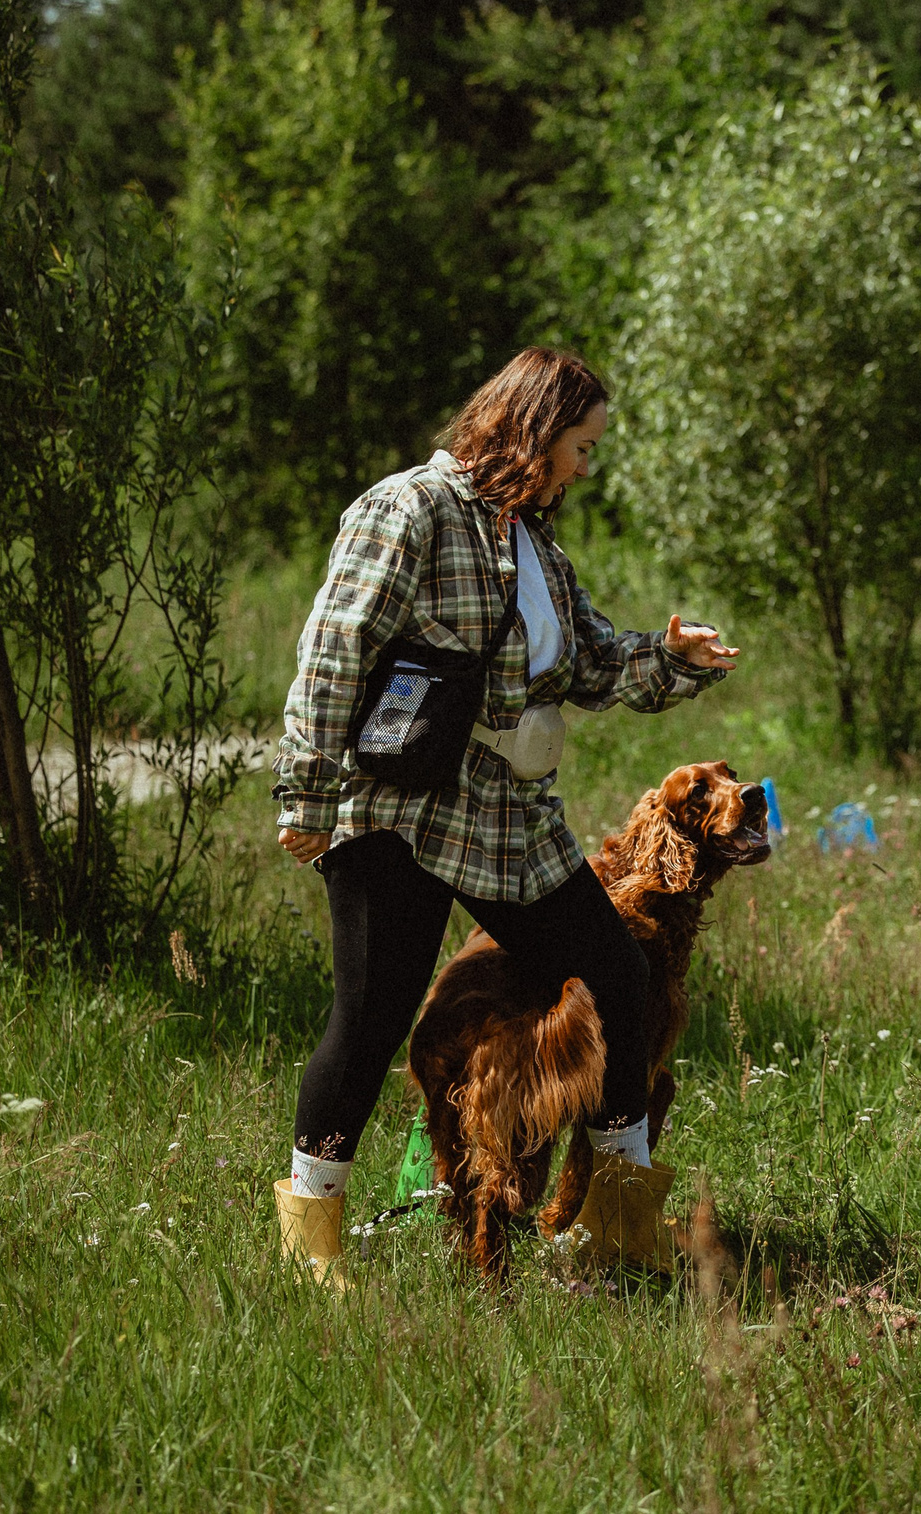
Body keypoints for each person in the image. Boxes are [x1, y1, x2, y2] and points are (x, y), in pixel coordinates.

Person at [270, 348, 739, 1282]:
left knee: (614, 975)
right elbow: (333, 654)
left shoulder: (533, 545)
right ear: (532, 429)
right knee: (371, 1018)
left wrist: (674, 655)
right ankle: (311, 1247)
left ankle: (616, 1227)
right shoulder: (407, 510)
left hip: (505, 818)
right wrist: (307, 795)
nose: (586, 466)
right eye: (580, 444)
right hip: (395, 812)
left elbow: (598, 665)